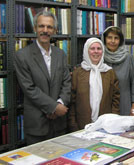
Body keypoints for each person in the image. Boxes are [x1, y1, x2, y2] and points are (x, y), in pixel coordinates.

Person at [13, 11, 71, 145]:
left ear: (55, 30)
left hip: (59, 124)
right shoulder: (22, 56)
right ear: (35, 29)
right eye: (41, 26)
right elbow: (29, 88)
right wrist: (53, 107)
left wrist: (61, 104)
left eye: (49, 27)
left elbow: (67, 82)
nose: (45, 30)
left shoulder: (60, 54)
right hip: (37, 125)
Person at [68, 37, 120, 131]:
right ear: (86, 51)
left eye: (99, 49)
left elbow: (115, 100)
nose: (96, 51)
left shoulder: (109, 72)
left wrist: (113, 121)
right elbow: (72, 102)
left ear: (102, 51)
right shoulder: (77, 73)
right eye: (92, 48)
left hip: (105, 125)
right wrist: (73, 124)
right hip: (81, 125)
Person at [101, 26, 134, 115]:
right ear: (104, 39)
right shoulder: (100, 57)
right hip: (104, 103)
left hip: (124, 102)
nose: (113, 41)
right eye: (109, 38)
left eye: (116, 38)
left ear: (120, 41)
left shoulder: (128, 58)